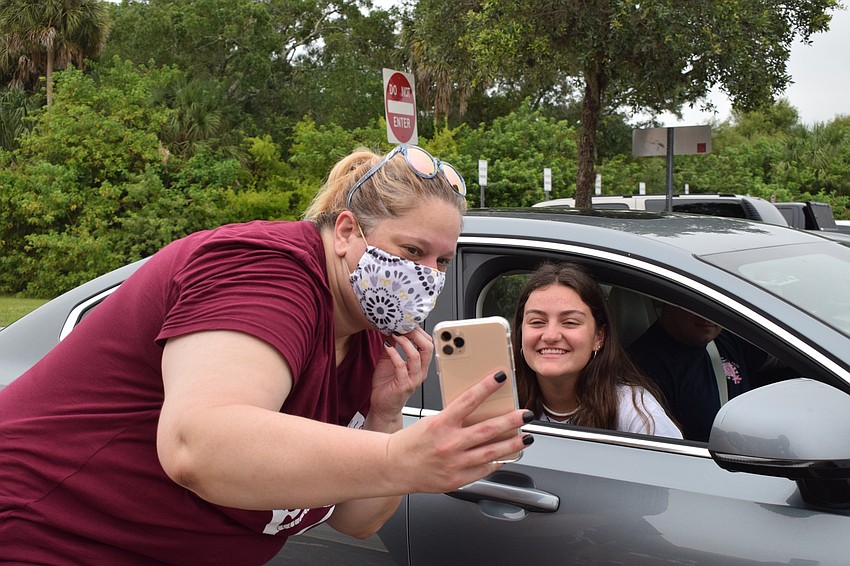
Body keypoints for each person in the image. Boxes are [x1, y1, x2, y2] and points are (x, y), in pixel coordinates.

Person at [0, 144, 533, 564]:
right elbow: (199, 446)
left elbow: (356, 521)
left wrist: (385, 418)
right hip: (44, 540)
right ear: (346, 231)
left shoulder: (372, 334)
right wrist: (401, 456)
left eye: (442, 260)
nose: (427, 276)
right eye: (412, 251)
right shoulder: (264, 272)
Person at [512, 262, 681, 438]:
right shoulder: (499, 404)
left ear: (598, 337)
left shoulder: (636, 411)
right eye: (537, 322)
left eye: (570, 322)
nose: (550, 335)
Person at [627, 303, 770, 442]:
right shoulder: (642, 367)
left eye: (716, 304)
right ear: (669, 301)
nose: (707, 314)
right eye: (695, 304)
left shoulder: (728, 340)